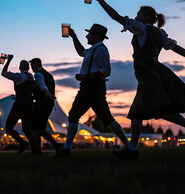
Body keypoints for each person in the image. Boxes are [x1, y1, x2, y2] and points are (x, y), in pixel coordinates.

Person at [92, 0, 185, 158]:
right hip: (153, 72)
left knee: (144, 112)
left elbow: (115, 16)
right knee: (146, 112)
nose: (136, 16)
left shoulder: (141, 28)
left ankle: (134, 149)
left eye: (139, 14)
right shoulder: (159, 33)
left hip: (149, 74)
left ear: (146, 17)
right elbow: (177, 48)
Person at [53, 24, 130, 157]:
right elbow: (81, 52)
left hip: (94, 88)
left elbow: (106, 71)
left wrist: (86, 77)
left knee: (106, 119)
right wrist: (74, 37)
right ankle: (66, 148)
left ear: (96, 36)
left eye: (89, 34)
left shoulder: (101, 50)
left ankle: (129, 147)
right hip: (87, 88)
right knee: (74, 116)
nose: (87, 36)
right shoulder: (93, 49)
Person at [1, 55, 41, 155]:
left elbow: (3, 73)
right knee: (27, 128)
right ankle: (35, 150)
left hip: (19, 104)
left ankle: (22, 142)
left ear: (20, 68)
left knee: (9, 127)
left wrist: (8, 60)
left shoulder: (19, 77)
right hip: (29, 104)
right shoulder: (31, 77)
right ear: (28, 67)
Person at [29, 58, 64, 152]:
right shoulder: (49, 75)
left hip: (42, 103)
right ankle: (41, 149)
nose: (31, 67)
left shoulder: (38, 74)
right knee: (40, 128)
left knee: (36, 129)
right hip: (49, 104)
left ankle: (42, 149)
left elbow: (42, 86)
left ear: (37, 64)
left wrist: (45, 94)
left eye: (32, 65)